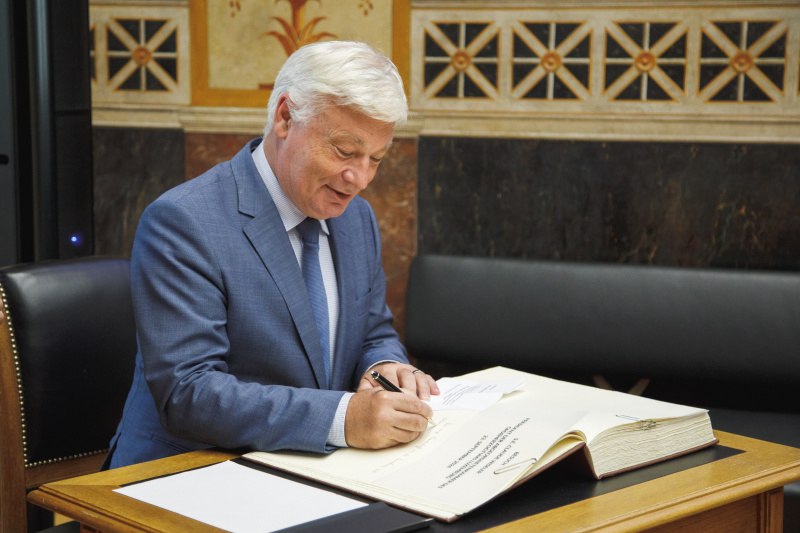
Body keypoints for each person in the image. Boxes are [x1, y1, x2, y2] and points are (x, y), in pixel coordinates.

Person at [105, 41, 438, 469]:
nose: (360, 178)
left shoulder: (357, 220)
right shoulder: (183, 221)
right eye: (344, 151)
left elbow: (372, 331)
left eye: (376, 158)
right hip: (190, 474)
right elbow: (189, 393)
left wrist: (385, 367)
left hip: (315, 471)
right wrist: (343, 418)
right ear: (285, 117)